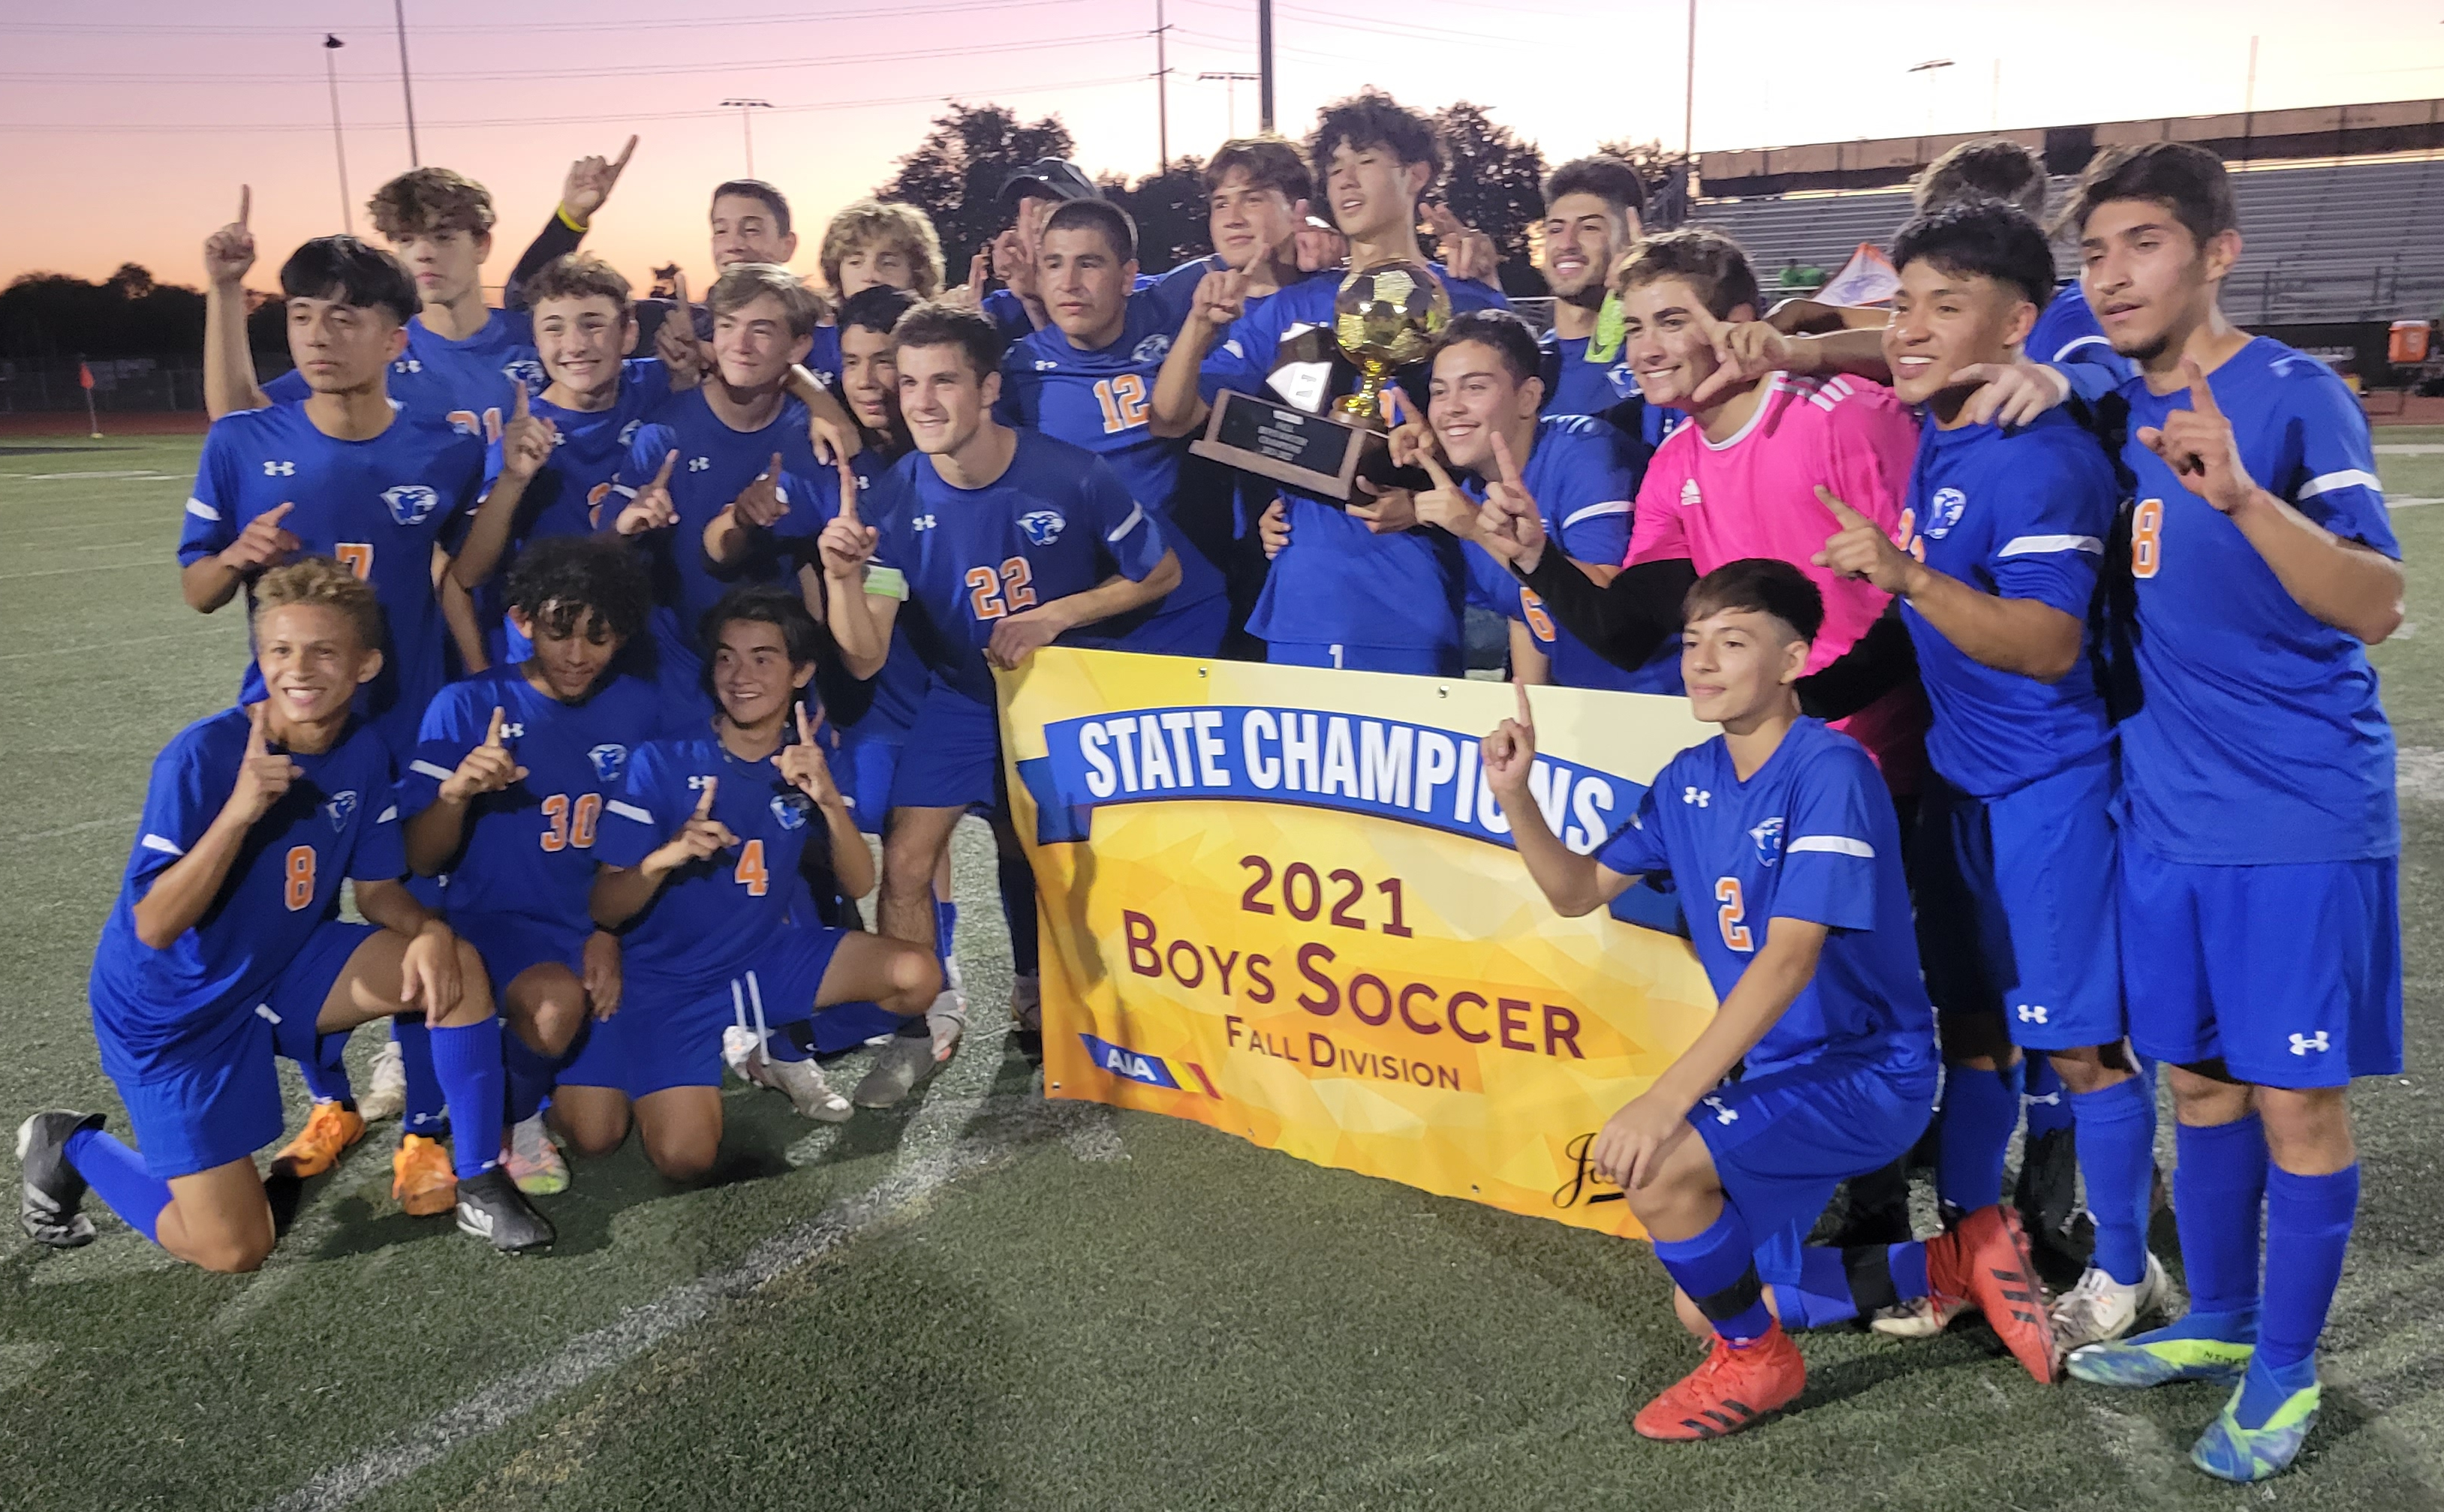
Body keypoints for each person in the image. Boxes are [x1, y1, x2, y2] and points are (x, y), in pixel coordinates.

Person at [2018, 143, 2404, 1484]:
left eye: (2142, 245)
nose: (2111, 275)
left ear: (2217, 253)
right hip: (2165, 814)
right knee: (2198, 1082)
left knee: (2298, 1103)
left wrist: (2242, 498)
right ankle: (2223, 1319)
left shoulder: (2295, 394)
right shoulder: (2109, 394)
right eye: (2096, 252)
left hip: (2296, 814)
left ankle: (2287, 1373)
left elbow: (2377, 601)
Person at [1486, 558, 2009, 1438]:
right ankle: (1945, 1262)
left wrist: (1664, 1098)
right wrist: (1515, 797)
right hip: (1782, 1072)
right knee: (1710, 1299)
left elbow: (1787, 960)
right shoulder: (1689, 776)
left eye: (1733, 642)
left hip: (1869, 1071)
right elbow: (1576, 889)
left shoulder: (1831, 769)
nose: (1703, 661)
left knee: (1661, 1172)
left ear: (1794, 660)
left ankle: (1758, 1363)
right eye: (1692, 642)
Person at [1807, 199, 2165, 1354]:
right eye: (1903, 303)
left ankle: (2122, 1272)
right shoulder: (1947, 427)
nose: (1909, 328)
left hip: (2049, 792)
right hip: (1963, 785)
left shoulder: (2044, 456)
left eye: (1942, 307)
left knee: (2077, 1045)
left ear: (2018, 322)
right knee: (1972, 1031)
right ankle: (1971, 1246)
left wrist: (1906, 575)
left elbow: (2047, 642)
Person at [19, 560, 553, 1267]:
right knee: (234, 1247)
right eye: (279, 649)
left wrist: (425, 929)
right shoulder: (204, 756)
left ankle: (481, 1177)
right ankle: (70, 1143)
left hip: (281, 967)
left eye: (323, 650)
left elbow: (378, 890)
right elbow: (153, 925)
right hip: (174, 1012)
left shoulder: (361, 750)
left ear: (366, 664)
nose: (298, 669)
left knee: (451, 959)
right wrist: (237, 816)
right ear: (259, 656)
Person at [819, 304, 1184, 1049]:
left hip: (1054, 689)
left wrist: (1057, 615)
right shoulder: (892, 498)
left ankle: (1056, 991)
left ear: (988, 389)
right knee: (909, 855)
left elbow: (1158, 573)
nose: (920, 401)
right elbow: (863, 654)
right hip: (963, 694)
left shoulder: (1073, 473)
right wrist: (842, 582)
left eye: (943, 380)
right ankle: (918, 1023)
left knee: (1048, 854)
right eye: (909, 381)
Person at [1470, 229, 1925, 785]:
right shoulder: (1674, 462)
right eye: (1635, 328)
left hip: (1888, 762)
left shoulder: (1845, 416)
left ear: (1738, 321)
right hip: (1774, 759)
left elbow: (1929, 599)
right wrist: (1537, 558)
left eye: (1672, 322)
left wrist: (1798, 709)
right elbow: (1631, 634)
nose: (1646, 350)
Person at [573, 587, 946, 1176]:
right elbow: (605, 904)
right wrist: (667, 856)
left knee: (917, 976)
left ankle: (779, 1044)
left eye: (763, 658)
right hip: (666, 982)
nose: (740, 675)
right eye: (726, 657)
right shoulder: (661, 761)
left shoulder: (812, 760)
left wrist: (828, 802)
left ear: (801, 672)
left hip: (760, 958)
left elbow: (859, 880)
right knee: (673, 1155)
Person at [1163, 90, 1510, 675]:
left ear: (1416, 174)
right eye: (1334, 169)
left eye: (1366, 162)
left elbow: (1505, 458)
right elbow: (1174, 416)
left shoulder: (1470, 305)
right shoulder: (1289, 308)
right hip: (1301, 600)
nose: (1346, 182)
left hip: (1415, 603)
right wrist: (1199, 328)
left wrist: (1424, 507)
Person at [396, 536, 660, 1198]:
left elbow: (637, 845)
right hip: (495, 925)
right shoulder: (465, 706)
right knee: (551, 1008)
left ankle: (515, 1079)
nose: (577, 654)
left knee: (599, 1133)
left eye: (598, 636)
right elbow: (418, 857)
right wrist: (456, 794)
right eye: (559, 629)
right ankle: (509, 1111)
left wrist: (609, 936)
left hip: (587, 923)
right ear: (524, 621)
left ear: (622, 634)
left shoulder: (638, 707)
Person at [179, 236, 486, 764]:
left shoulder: (450, 447)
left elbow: (463, 577)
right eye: (301, 316)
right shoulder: (240, 442)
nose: (318, 337)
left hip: (416, 716)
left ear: (394, 342)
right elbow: (199, 592)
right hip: (292, 719)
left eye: (343, 320)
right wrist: (235, 557)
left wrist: (481, 684)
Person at [1392, 310, 1671, 695]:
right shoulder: (1474, 485)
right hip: (1579, 706)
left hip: (1659, 701)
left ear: (1528, 397)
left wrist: (1480, 530)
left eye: (1474, 388)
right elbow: (1525, 613)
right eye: (1440, 391)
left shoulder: (1586, 451)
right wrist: (1530, 715)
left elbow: (1611, 602)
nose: (1451, 406)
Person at [997, 197, 1230, 654]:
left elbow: (1255, 250)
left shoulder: (1170, 306)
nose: (1069, 283)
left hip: (1183, 601)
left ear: (1127, 276)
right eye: (1054, 264)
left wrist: (1315, 232)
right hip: (1073, 605)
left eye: (1089, 264)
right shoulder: (1014, 369)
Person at [603, 263, 827, 734]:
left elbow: (811, 570)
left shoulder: (814, 439)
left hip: (770, 679)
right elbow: (601, 556)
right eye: (727, 326)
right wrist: (626, 528)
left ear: (800, 346)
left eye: (761, 330)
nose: (740, 345)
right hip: (675, 668)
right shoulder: (663, 433)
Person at [450, 253, 700, 669]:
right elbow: (471, 574)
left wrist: (689, 378)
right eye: (554, 328)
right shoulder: (525, 434)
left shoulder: (658, 382)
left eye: (592, 324)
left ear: (628, 333)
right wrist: (513, 480)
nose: (575, 344)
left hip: (646, 645)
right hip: (552, 653)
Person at [1535, 155, 1665, 443]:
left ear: (1630, 241)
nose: (1567, 243)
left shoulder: (1656, 357)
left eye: (1589, 227)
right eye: (1556, 229)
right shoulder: (1526, 361)